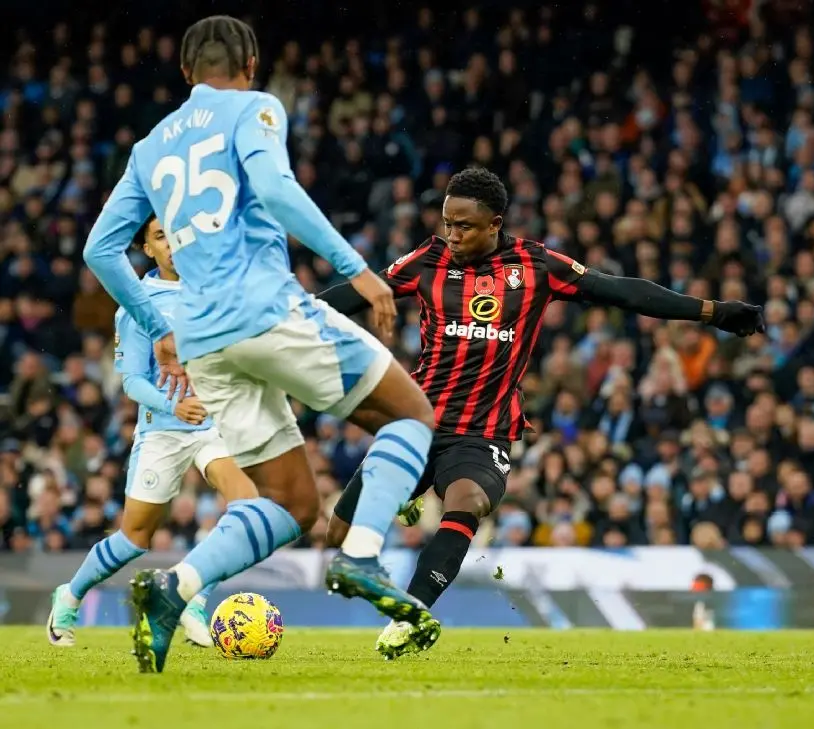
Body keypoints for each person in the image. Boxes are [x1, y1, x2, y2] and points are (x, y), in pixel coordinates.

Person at [82, 15, 442, 673]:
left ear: (186, 72)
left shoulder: (150, 146)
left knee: (292, 502)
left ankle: (174, 588)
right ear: (250, 62)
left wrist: (158, 327)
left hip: (202, 342)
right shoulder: (255, 107)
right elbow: (275, 188)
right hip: (265, 310)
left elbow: (99, 249)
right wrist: (354, 268)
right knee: (411, 414)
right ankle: (361, 553)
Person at [318, 166, 765, 658]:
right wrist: (286, 320)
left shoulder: (535, 266)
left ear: (495, 223)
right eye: (447, 223)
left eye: (464, 225)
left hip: (483, 433)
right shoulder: (428, 260)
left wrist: (713, 311)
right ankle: (407, 494)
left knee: (467, 502)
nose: (452, 235)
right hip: (416, 424)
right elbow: (360, 294)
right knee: (337, 532)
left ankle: (409, 615)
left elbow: (621, 291)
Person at [47, 215, 254, 650]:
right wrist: (173, 403)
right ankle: (69, 596)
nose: (173, 243)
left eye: (178, 233)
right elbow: (132, 381)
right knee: (133, 539)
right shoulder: (139, 302)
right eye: (161, 237)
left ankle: (194, 599)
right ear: (148, 249)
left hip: (214, 425)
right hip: (163, 430)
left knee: (249, 509)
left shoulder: (216, 289)